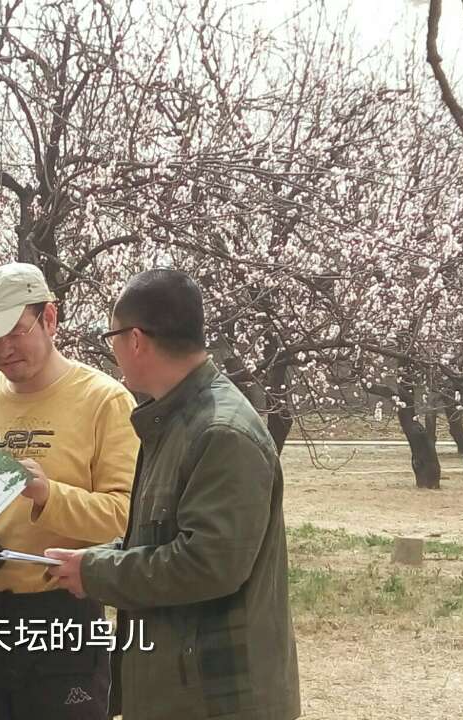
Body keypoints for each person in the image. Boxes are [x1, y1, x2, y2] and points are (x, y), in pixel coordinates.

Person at [45, 269, 300, 720]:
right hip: (180, 686)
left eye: (112, 338)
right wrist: (92, 558)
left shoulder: (220, 432)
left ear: (135, 340)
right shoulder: (173, 422)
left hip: (218, 697)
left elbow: (208, 564)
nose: (113, 352)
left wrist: (97, 572)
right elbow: (159, 539)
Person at [0, 262, 139, 720]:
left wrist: (49, 496)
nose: (3, 349)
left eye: (14, 332)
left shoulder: (104, 401)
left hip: (61, 614)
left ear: (49, 318)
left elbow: (126, 516)